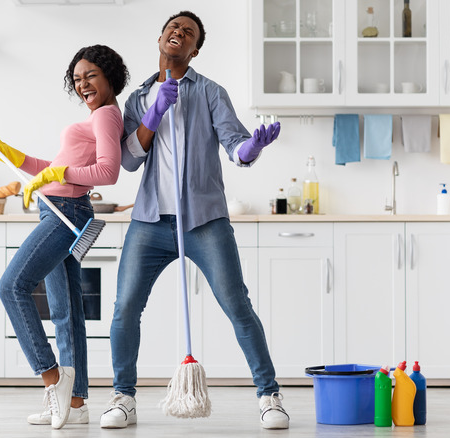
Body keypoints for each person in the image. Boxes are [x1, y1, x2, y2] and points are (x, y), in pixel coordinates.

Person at [99, 11, 288, 430]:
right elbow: (129, 160)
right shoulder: (137, 99)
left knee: (238, 306)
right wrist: (153, 114)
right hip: (149, 221)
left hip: (204, 221)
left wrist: (252, 148)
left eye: (188, 33)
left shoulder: (210, 92)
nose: (178, 33)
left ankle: (269, 396)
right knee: (125, 308)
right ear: (161, 36)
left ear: (194, 50)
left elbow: (236, 146)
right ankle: (122, 397)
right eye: (173, 28)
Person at [0, 44, 129, 430]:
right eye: (77, 79)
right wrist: (11, 154)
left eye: (91, 75)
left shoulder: (107, 116)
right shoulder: (96, 118)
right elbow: (54, 167)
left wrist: (57, 176)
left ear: (109, 75)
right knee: (66, 310)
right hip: (58, 210)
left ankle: (52, 380)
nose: (83, 84)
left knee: (12, 287)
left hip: (65, 215)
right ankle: (75, 403)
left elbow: (108, 172)